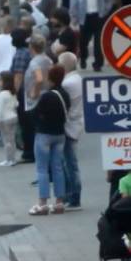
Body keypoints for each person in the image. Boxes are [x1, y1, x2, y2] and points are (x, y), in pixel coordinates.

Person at [29, 66, 69, 215]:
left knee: (42, 169)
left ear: (50, 78)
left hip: (44, 134)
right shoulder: (64, 94)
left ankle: (42, 203)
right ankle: (59, 202)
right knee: (57, 168)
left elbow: (34, 114)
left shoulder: (46, 96)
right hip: (60, 134)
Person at [70, 0, 109, 71]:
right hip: (84, 16)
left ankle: (98, 64)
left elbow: (108, 0)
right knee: (83, 41)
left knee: (98, 42)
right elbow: (74, 2)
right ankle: (83, 58)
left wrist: (104, 11)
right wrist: (74, 16)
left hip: (98, 16)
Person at [58, 52, 83, 211]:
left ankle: (73, 197)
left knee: (69, 163)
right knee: (69, 162)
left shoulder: (67, 84)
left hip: (69, 126)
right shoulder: (78, 79)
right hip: (76, 124)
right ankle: (70, 196)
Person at [0, 71, 19, 166]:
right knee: (12, 139)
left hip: (5, 119)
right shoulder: (12, 92)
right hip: (13, 117)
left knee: (6, 140)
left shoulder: (2, 94)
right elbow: (17, 104)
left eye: (0, 79)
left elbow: (0, 109)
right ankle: (13, 158)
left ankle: (8, 159)